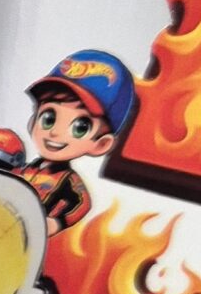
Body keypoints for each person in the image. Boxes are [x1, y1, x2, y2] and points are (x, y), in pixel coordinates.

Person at [20, 52, 136, 237]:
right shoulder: (27, 169)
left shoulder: (68, 180)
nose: (55, 132)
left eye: (80, 127)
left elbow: (82, 203)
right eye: (49, 118)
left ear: (101, 144)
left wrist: (57, 222)